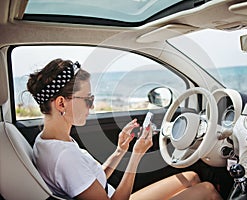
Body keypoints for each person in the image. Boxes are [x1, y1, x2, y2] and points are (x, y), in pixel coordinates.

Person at [27, 58, 222, 200]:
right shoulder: (65, 157)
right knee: (208, 191)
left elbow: (90, 180)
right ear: (61, 103)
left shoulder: (47, 140)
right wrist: (136, 155)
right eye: (88, 99)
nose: (92, 106)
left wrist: (121, 150)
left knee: (192, 178)